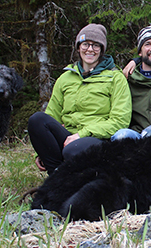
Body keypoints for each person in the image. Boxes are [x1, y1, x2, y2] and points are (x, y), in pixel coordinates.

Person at [28, 23, 132, 175]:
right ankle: (57, 176)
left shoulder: (115, 78)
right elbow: (52, 115)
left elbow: (120, 120)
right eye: (85, 44)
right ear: (78, 47)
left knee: (73, 150)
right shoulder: (65, 78)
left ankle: (70, 181)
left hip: (97, 138)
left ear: (102, 50)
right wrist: (42, 152)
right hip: (67, 136)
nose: (90, 49)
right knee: (37, 119)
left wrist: (82, 134)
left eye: (96, 45)